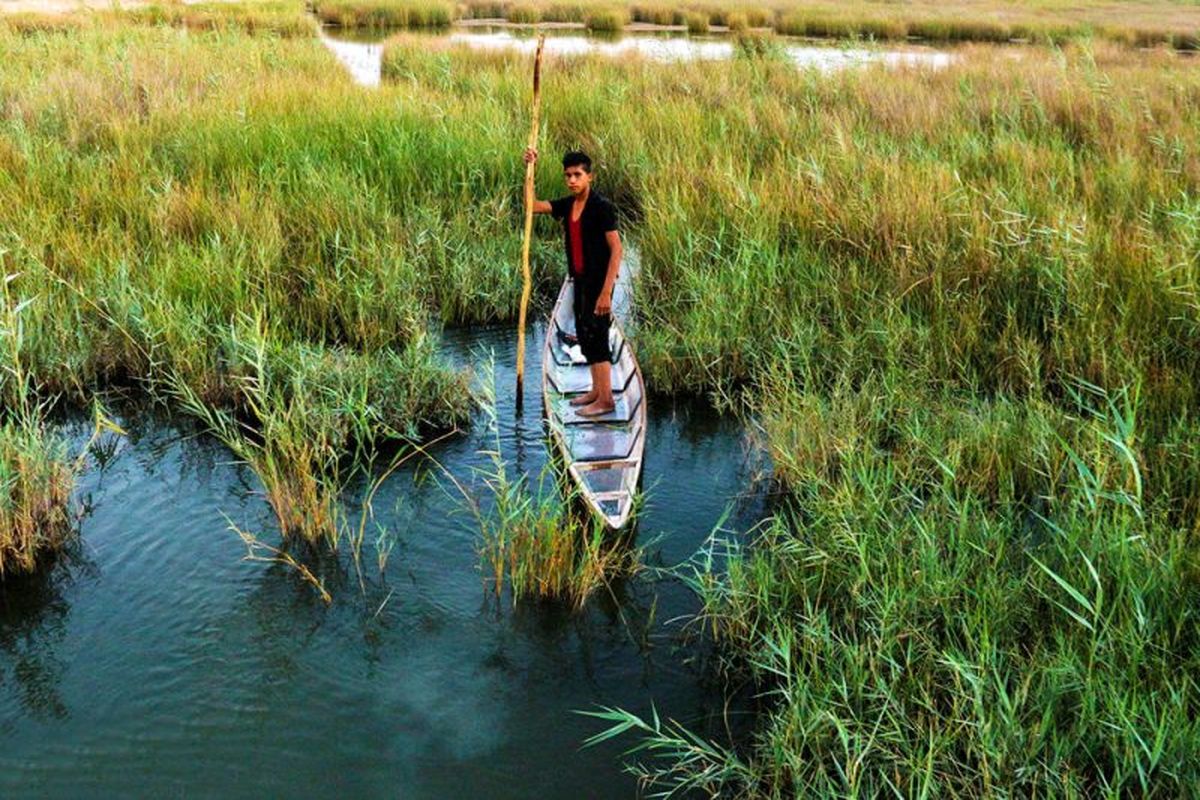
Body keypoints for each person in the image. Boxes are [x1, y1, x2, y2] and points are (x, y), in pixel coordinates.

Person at [523, 147, 623, 416]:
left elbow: (616, 250)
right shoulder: (569, 205)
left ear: (589, 176)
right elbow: (532, 206)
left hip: (598, 284)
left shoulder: (601, 207)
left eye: (577, 175)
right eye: (568, 175)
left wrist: (606, 292)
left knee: (598, 337)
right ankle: (595, 391)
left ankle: (606, 401)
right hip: (579, 281)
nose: (572, 180)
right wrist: (529, 169)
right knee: (585, 336)